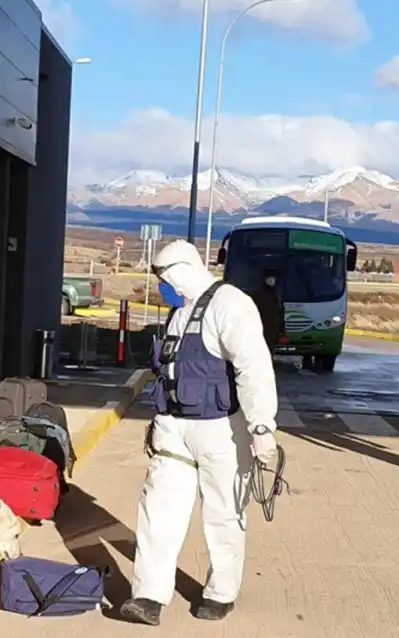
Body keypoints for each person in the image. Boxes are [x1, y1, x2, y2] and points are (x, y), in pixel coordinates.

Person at [120, 240, 279, 626]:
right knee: (157, 512)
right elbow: (169, 372)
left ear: (185, 269)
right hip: (174, 428)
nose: (162, 284)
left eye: (165, 276)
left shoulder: (231, 305)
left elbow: (253, 368)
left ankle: (220, 592)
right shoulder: (179, 312)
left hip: (221, 430)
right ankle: (148, 595)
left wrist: (261, 427)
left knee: (224, 514)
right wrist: (157, 424)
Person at [249, 269, 286, 352]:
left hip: (273, 332)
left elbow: (281, 315)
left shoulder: (276, 296)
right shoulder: (257, 295)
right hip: (261, 330)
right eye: (269, 277)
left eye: (274, 278)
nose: (272, 280)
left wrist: (282, 332)